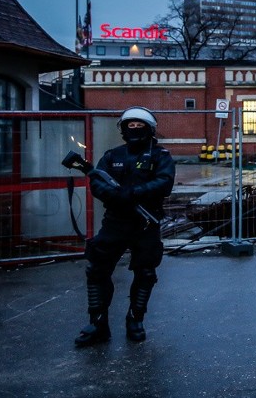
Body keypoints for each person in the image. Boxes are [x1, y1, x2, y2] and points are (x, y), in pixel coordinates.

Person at [74, 107, 176, 347]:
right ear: (123, 129)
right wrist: (113, 196)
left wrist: (135, 193)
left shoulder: (161, 156)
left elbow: (164, 182)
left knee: (145, 273)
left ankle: (135, 319)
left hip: (145, 222)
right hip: (115, 223)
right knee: (97, 270)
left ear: (149, 130)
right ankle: (97, 323)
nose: (135, 130)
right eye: (130, 125)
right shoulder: (112, 156)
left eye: (140, 126)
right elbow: (97, 182)